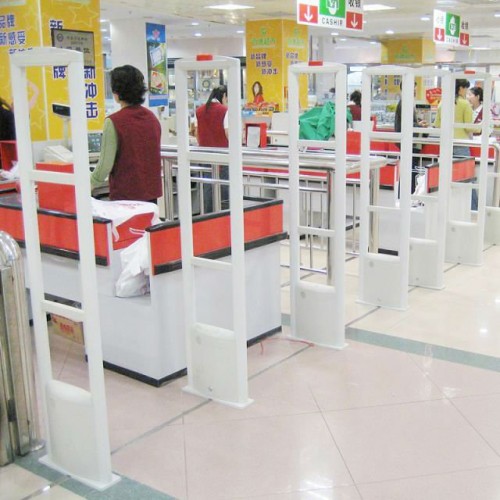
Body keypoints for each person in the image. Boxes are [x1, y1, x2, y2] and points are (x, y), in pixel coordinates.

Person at [91, 65, 162, 203]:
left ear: (116, 91)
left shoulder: (113, 122)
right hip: (150, 195)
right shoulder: (152, 118)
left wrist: (88, 184)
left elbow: (105, 165)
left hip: (125, 196)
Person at [434, 78, 476, 208]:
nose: (466, 91)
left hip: (445, 145)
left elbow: (437, 125)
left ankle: (447, 207)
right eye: (466, 88)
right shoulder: (465, 104)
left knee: (445, 178)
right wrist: (480, 128)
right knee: (467, 178)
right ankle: (473, 208)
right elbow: (469, 127)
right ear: (460, 88)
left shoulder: (442, 103)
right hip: (461, 144)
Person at [195, 85, 229, 212]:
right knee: (224, 188)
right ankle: (225, 216)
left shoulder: (199, 111)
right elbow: (228, 133)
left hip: (204, 156)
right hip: (223, 156)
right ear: (224, 96)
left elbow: (197, 133)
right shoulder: (225, 111)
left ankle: (207, 216)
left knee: (207, 188)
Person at [394, 82, 428, 194]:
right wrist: (419, 125)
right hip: (409, 143)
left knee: (409, 172)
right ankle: (407, 196)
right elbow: (407, 124)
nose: (414, 91)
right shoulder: (405, 103)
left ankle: (406, 196)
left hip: (409, 143)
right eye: (413, 89)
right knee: (409, 172)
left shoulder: (406, 102)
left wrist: (418, 123)